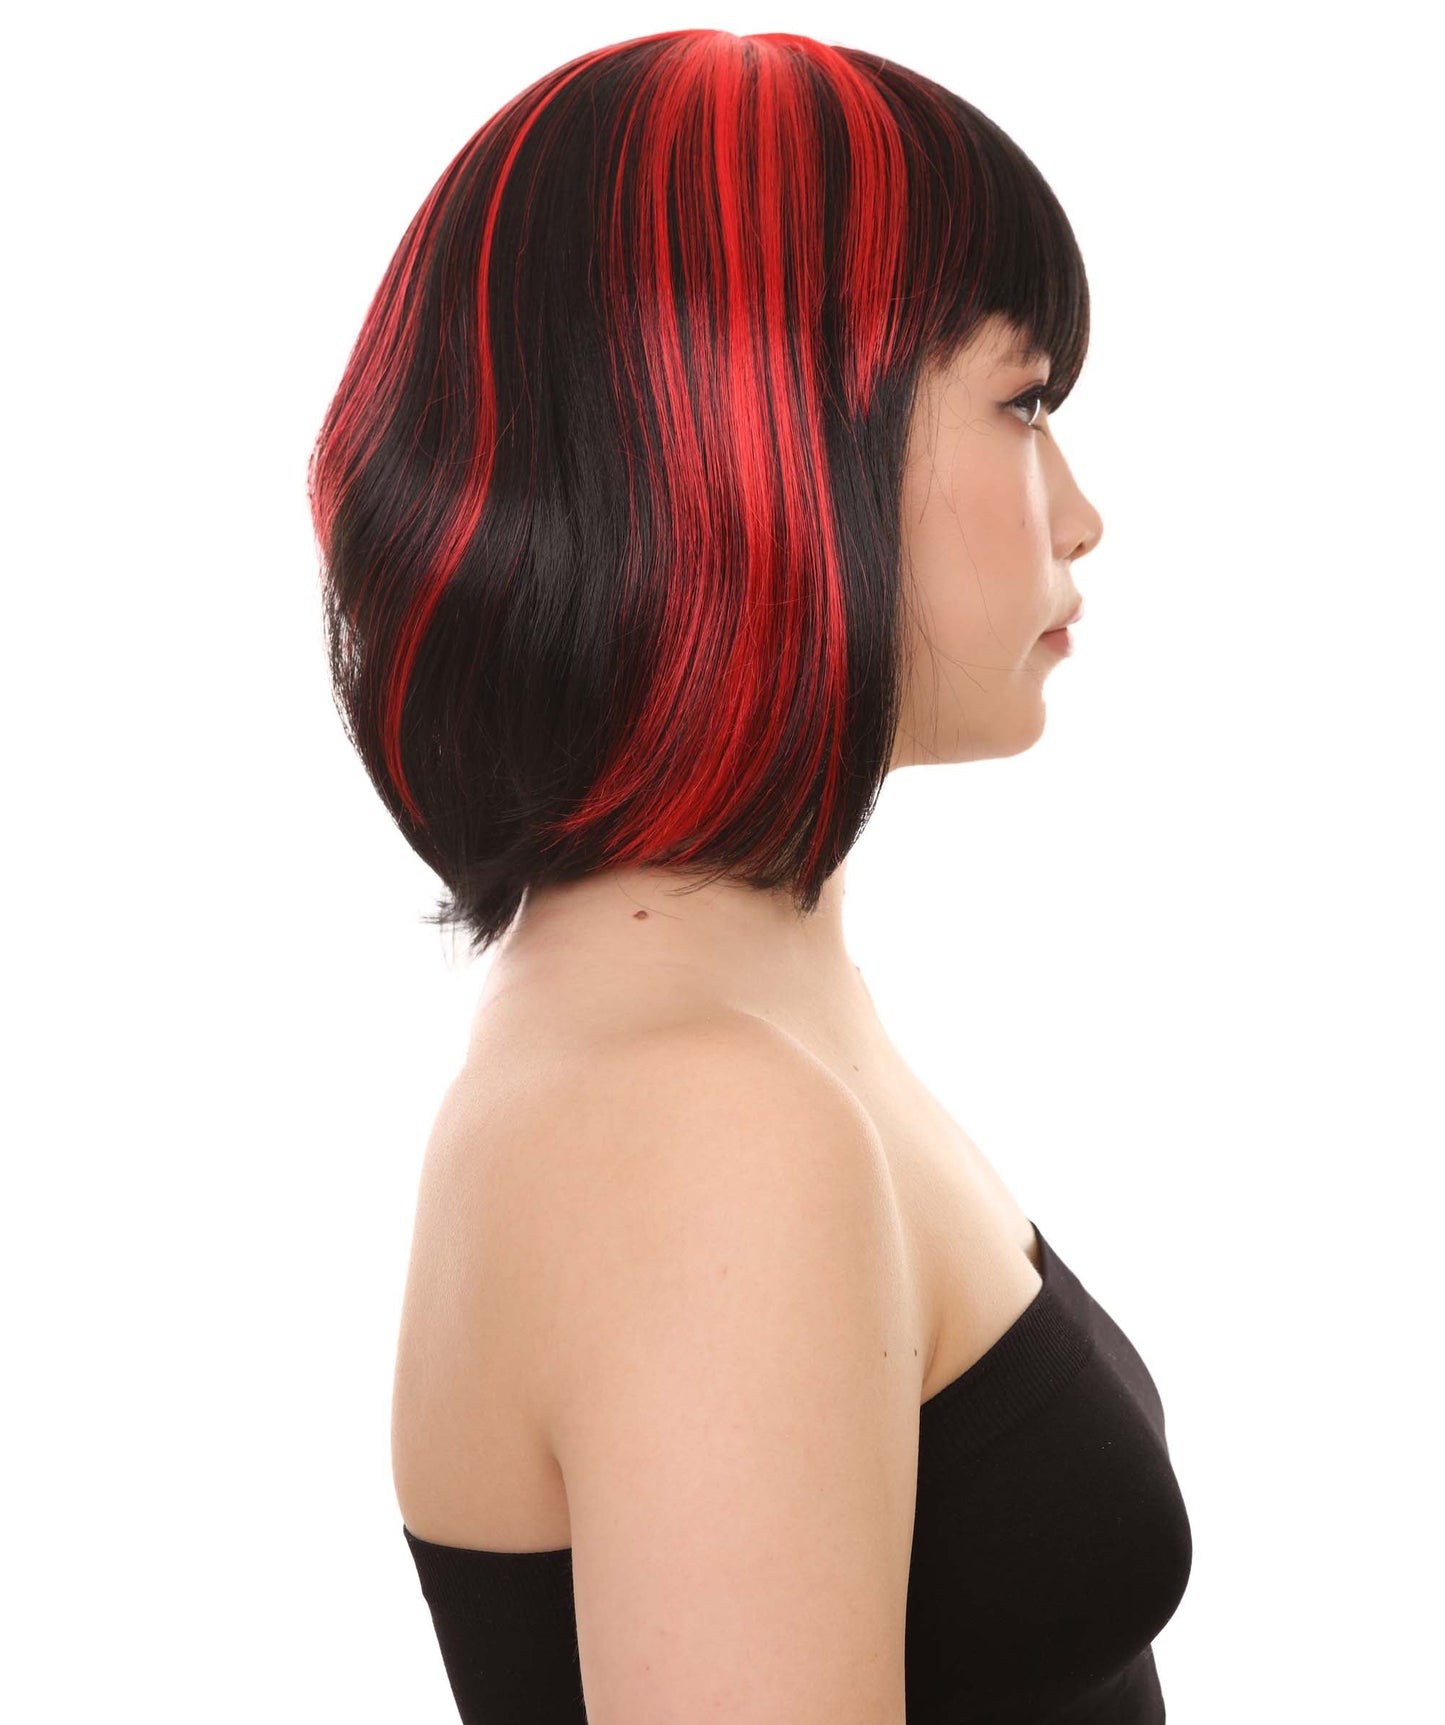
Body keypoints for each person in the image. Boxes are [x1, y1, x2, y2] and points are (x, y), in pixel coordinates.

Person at [308, 27, 1191, 1724]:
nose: (1079, 513)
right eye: (1020, 402)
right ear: (761, 444)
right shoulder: (702, 1126)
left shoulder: (742, 1006)